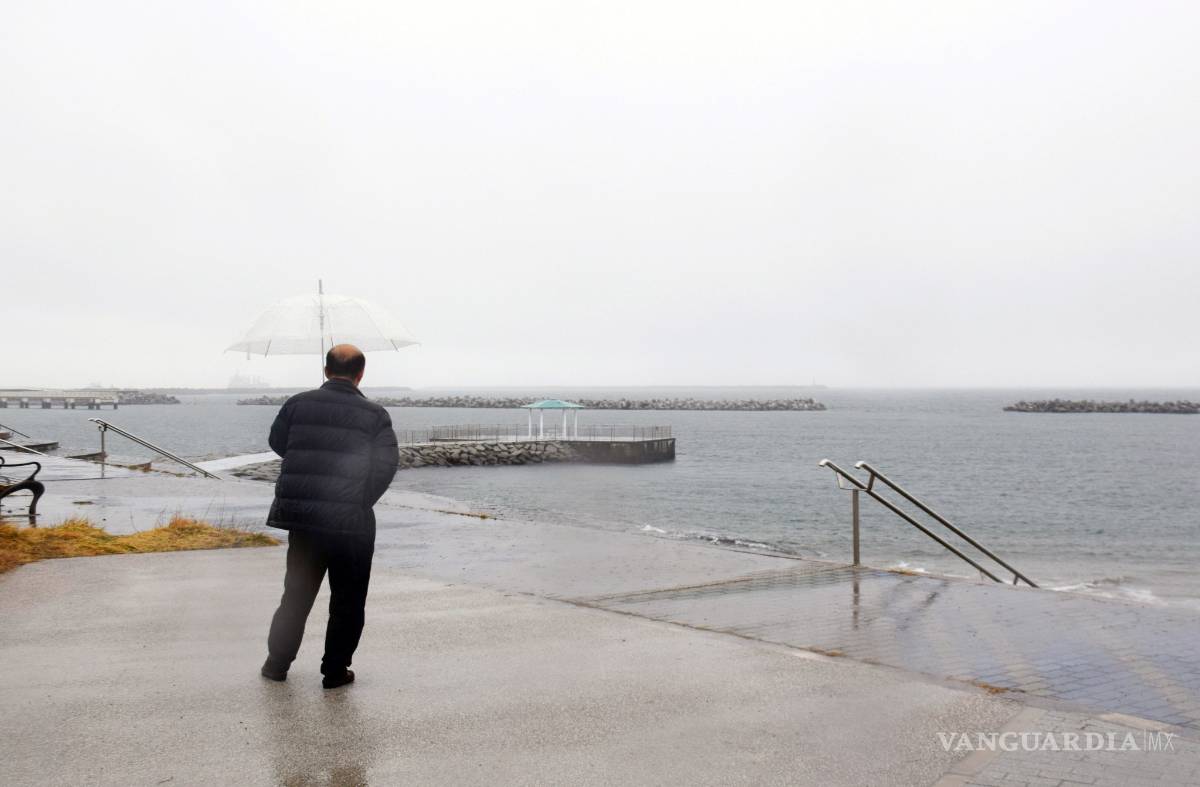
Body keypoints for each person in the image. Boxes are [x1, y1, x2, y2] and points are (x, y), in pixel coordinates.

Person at [260, 344, 400, 689]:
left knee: (296, 594)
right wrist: (359, 498)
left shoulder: (296, 404)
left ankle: (277, 664)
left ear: (326, 371)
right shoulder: (375, 414)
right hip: (351, 524)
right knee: (348, 601)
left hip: (305, 520)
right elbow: (386, 465)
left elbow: (279, 442)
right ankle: (334, 672)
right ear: (361, 374)